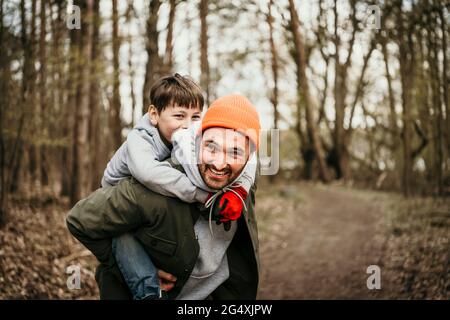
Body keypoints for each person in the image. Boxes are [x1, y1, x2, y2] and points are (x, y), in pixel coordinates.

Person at [67, 94, 261, 300]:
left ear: (249, 158)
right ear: (198, 140)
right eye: (211, 147)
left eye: (235, 152)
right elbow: (79, 220)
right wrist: (137, 273)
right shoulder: (153, 189)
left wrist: (239, 190)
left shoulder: (241, 183)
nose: (220, 164)